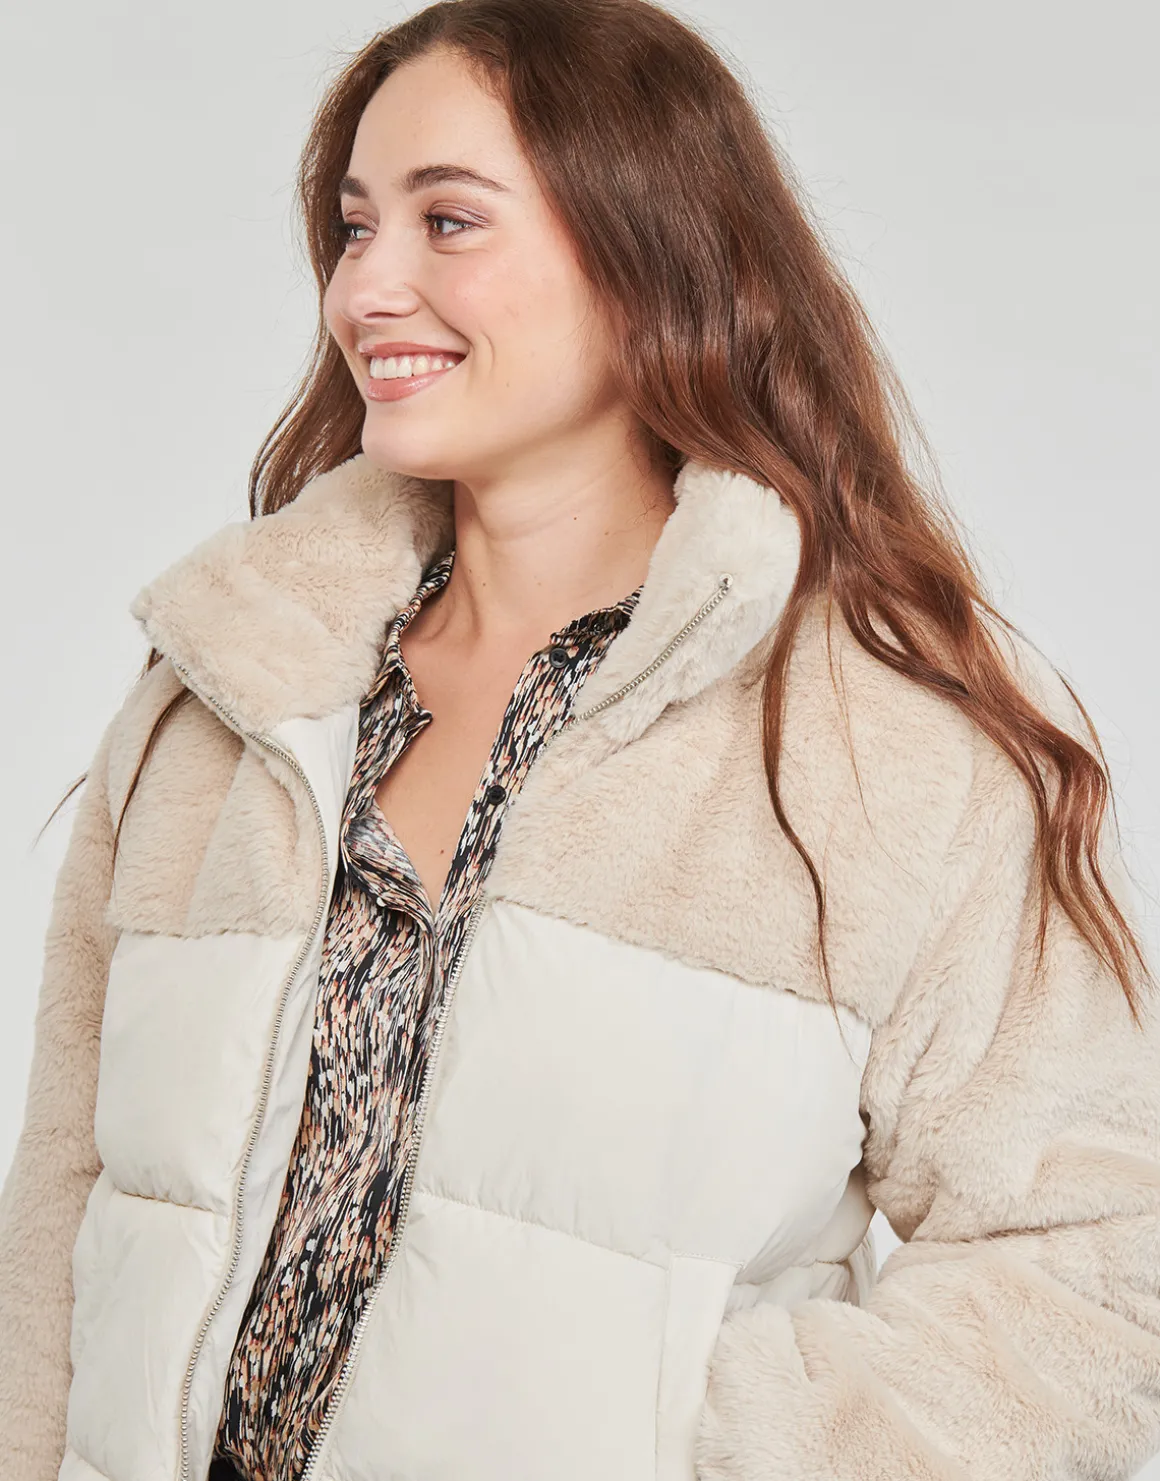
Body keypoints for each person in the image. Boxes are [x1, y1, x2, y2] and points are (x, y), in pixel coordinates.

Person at [2, 1, 1159, 1478]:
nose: (368, 288)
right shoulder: (232, 689)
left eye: (448, 221)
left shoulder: (881, 755)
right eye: (355, 229)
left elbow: (1093, 1264)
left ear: (645, 258)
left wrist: (730, 1451)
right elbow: (63, 1218)